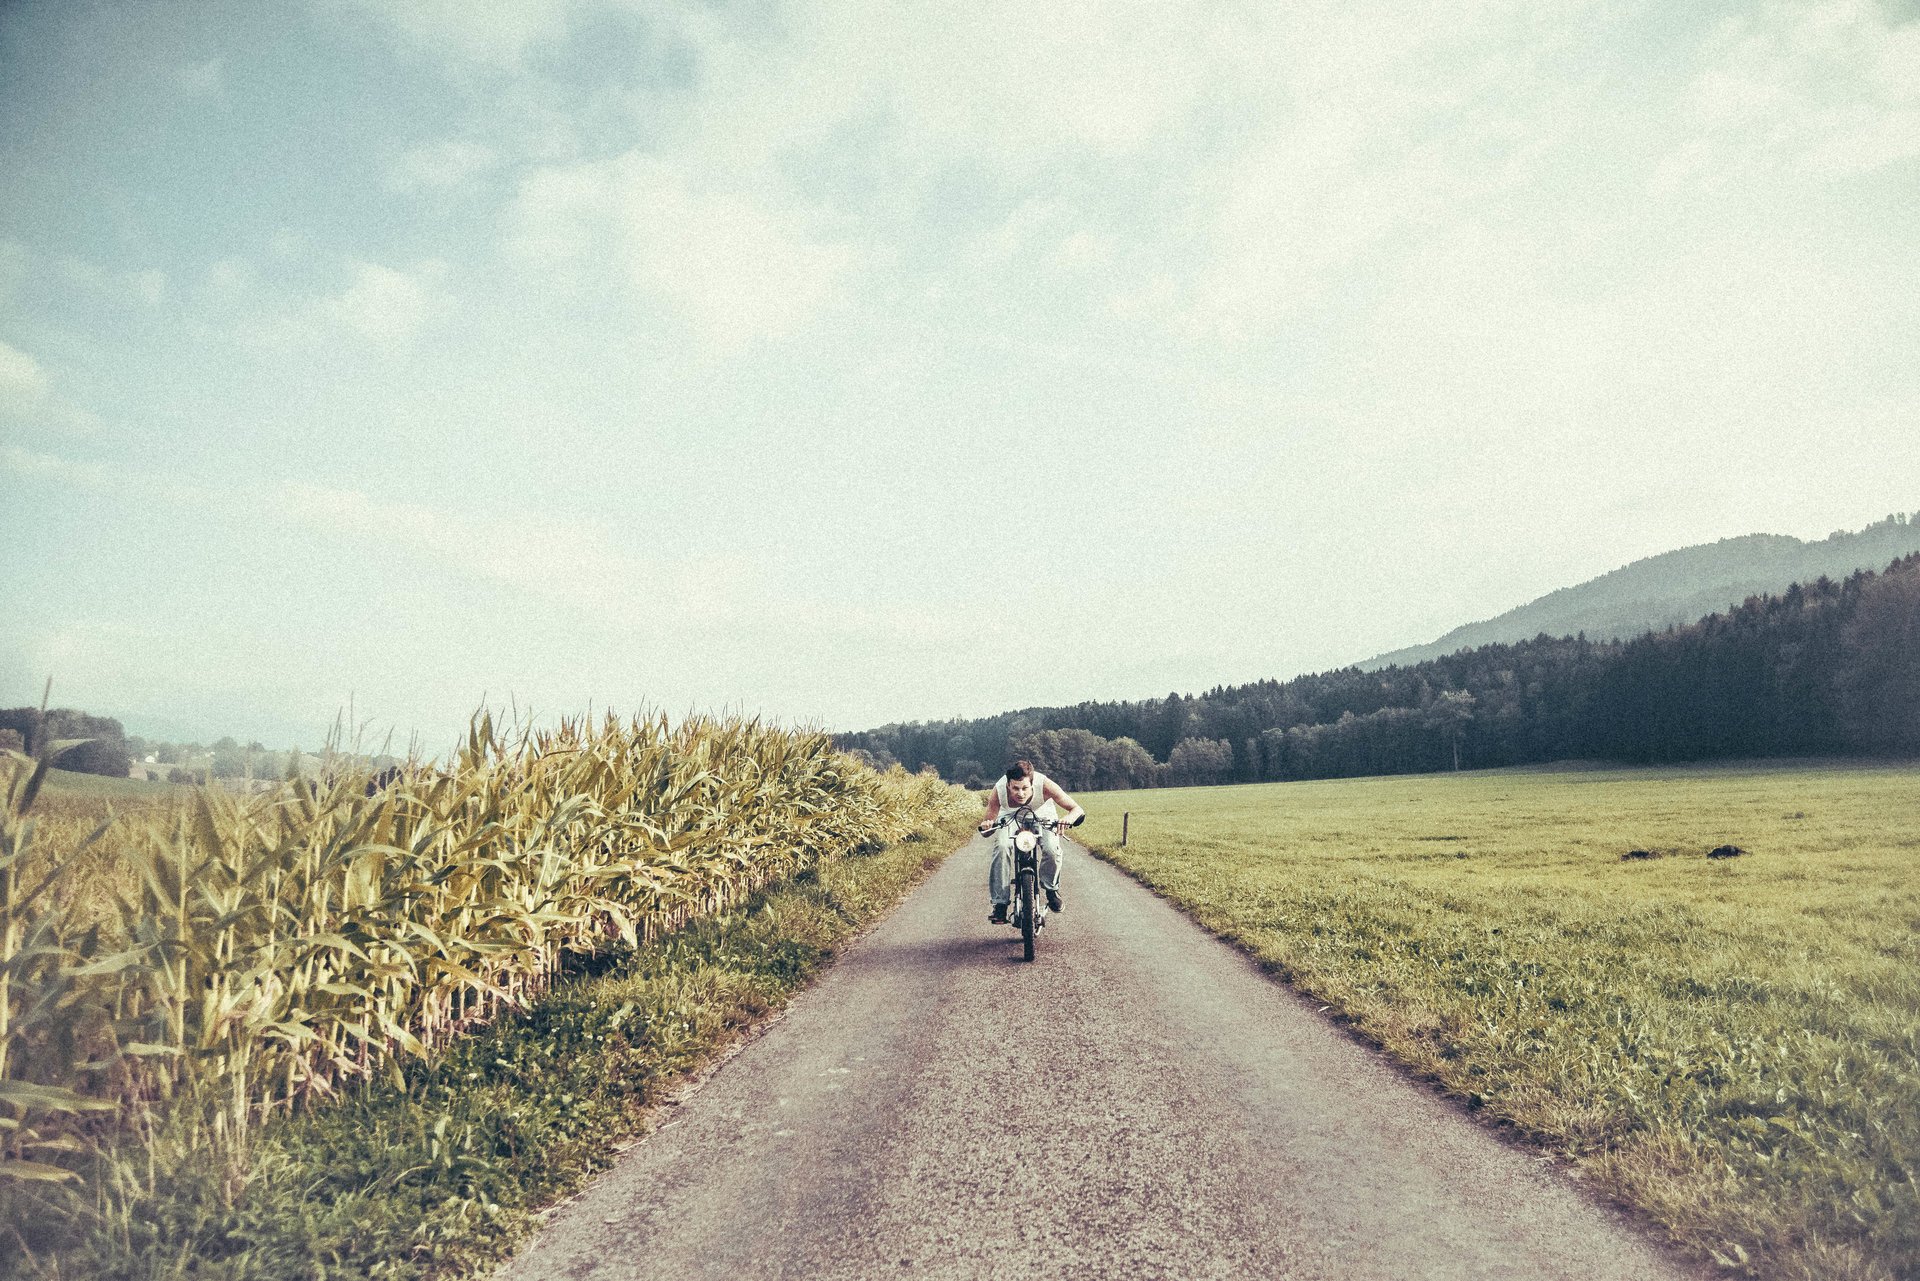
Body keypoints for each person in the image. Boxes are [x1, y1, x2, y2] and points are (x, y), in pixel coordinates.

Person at [978, 759, 1084, 924]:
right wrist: (987, 826)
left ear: (1033, 784)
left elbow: (1077, 809)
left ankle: (1051, 890)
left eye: (1025, 788)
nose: (1020, 794)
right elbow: (987, 830)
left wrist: (1068, 819)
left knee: (1051, 848)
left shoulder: (1045, 784)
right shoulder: (998, 790)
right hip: (1010, 817)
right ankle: (1000, 905)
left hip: (1043, 815)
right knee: (1001, 846)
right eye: (1015, 788)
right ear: (1008, 786)